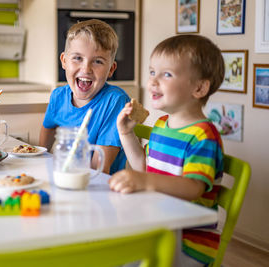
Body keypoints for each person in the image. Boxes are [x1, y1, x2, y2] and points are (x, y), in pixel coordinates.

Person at [109, 35, 225, 266]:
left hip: (186, 241)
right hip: (157, 223)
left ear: (199, 87)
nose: (153, 82)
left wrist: (145, 182)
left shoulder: (203, 135)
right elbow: (144, 166)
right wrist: (126, 133)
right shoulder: (162, 124)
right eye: (152, 72)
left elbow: (193, 187)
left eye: (167, 74)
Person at [39, 19, 130, 174]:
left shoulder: (115, 101)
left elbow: (99, 169)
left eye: (98, 61)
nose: (86, 69)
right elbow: (47, 130)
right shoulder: (58, 96)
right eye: (78, 58)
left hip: (99, 188)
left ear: (111, 69)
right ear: (64, 61)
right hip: (65, 177)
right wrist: (41, 161)